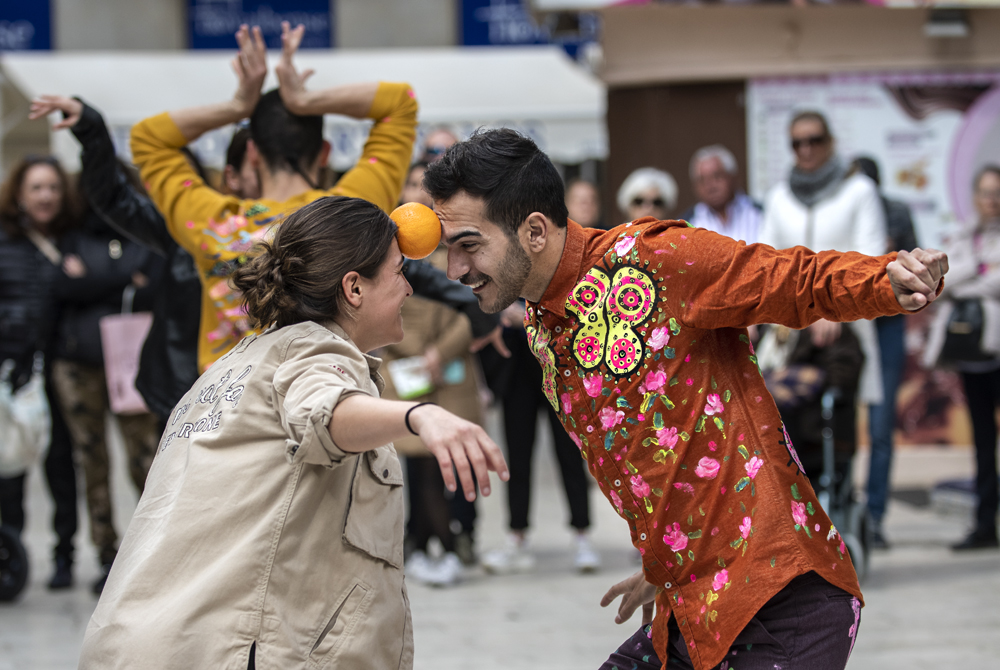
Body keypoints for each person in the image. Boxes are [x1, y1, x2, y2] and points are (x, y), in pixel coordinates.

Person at [423, 127, 947, 670]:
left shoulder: (654, 258)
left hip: (778, 599)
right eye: (448, 249)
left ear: (534, 230)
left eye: (469, 246)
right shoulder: (543, 322)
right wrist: (662, 563)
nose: (455, 269)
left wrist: (886, 279)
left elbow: (789, 278)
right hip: (688, 606)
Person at [78, 195, 509, 669]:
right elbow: (324, 411)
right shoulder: (313, 350)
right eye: (399, 273)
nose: (409, 289)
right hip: (220, 653)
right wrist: (420, 416)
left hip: (147, 643)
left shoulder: (237, 362)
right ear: (354, 288)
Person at [130, 23, 418, 372]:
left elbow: (148, 138)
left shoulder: (213, 224)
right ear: (325, 153)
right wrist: (304, 100)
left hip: (228, 397)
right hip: (326, 388)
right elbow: (400, 103)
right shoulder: (349, 217)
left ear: (252, 153)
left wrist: (238, 105)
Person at [759, 111, 887, 469]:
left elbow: (871, 261)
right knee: (783, 426)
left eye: (814, 140)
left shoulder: (859, 191)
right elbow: (765, 264)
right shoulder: (779, 197)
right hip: (789, 334)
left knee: (843, 429)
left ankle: (852, 500)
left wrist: (830, 310)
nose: (806, 149)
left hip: (845, 330)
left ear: (830, 142)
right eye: (797, 143)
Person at [50, 202, 164, 595]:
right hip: (78, 365)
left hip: (132, 365)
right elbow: (63, 287)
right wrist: (123, 280)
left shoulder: (144, 238)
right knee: (92, 461)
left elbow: (152, 290)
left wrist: (90, 281)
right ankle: (106, 555)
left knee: (145, 459)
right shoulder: (74, 237)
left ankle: (153, 553)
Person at [0, 155, 79, 590]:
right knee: (10, 465)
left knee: (61, 465)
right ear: (19, 194)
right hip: (11, 370)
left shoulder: (75, 240)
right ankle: (10, 555)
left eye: (52, 187)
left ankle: (64, 555)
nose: (46, 196)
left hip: (61, 369)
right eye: (36, 188)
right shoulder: (5, 240)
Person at [921, 165, 1000, 551]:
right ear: (974, 197)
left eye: (997, 193)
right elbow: (943, 281)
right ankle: (985, 525)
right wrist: (982, 270)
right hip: (972, 358)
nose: (992, 200)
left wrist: (968, 280)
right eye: (986, 192)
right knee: (983, 443)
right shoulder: (963, 236)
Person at [853, 155, 919, 549]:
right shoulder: (840, 208)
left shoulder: (897, 211)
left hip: (888, 326)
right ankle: (837, 514)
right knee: (836, 420)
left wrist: (894, 260)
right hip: (848, 324)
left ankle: (875, 518)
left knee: (880, 428)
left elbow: (918, 274)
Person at [682, 145, 761, 244]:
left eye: (717, 176)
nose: (710, 186)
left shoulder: (760, 214)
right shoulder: (687, 224)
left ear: (733, 177)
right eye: (702, 180)